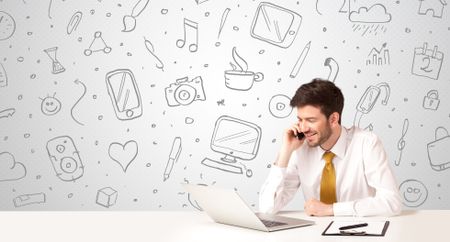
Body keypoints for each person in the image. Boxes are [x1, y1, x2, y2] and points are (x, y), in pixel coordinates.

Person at [259, 79, 402, 217]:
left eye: (311, 120)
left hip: (360, 233)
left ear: (333, 119)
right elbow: (267, 209)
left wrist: (331, 210)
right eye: (300, 119)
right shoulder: (300, 148)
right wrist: (285, 152)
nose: (303, 128)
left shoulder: (367, 143)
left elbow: (392, 202)